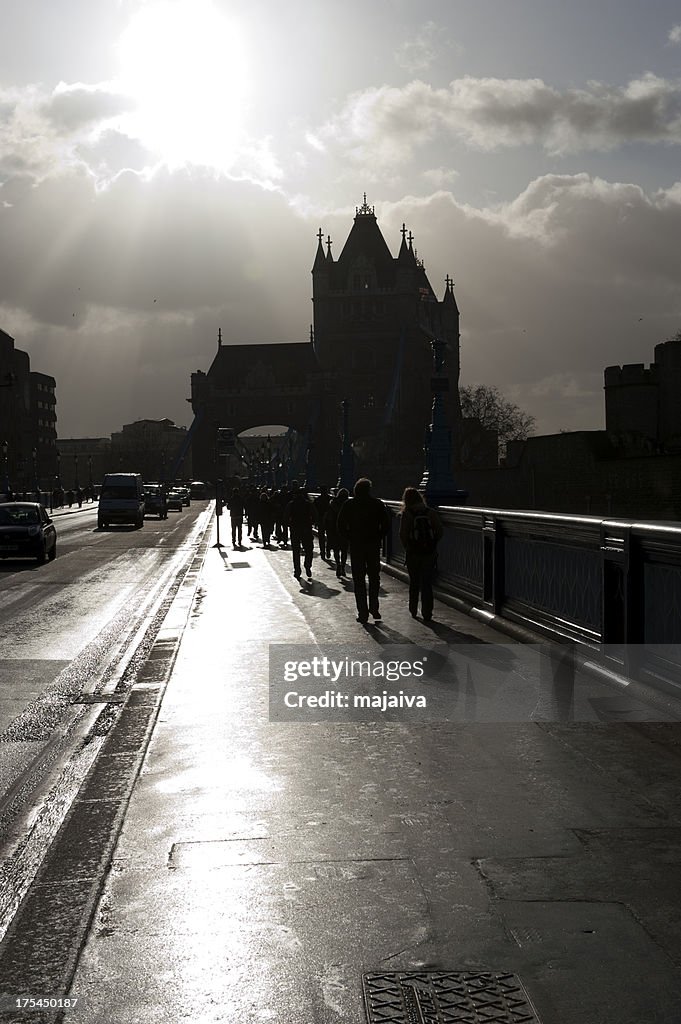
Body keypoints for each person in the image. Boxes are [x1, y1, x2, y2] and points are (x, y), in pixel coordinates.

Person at [337, 477, 390, 623]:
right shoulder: (377, 504)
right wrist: (378, 536)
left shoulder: (349, 504)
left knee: (359, 580)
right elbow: (386, 524)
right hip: (373, 545)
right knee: (374, 578)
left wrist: (349, 537)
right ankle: (374, 607)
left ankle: (363, 613)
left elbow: (340, 524)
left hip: (357, 546)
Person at [399, 487, 443, 622]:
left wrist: (408, 547)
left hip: (413, 553)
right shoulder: (430, 512)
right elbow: (439, 531)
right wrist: (432, 544)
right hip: (429, 553)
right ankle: (427, 612)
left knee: (414, 582)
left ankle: (413, 609)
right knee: (427, 583)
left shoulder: (407, 514)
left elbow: (402, 534)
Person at [285, 480, 315, 579]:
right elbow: (314, 515)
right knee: (309, 549)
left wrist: (290, 525)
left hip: (295, 529)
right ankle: (307, 565)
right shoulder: (308, 504)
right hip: (306, 529)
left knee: (296, 551)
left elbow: (286, 516)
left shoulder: (291, 504)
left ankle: (297, 570)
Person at [325, 487, 349, 577]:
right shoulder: (347, 504)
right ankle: (342, 566)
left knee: (336, 549)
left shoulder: (332, 503)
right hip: (344, 529)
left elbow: (328, 517)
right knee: (344, 550)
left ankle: (338, 564)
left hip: (334, 529)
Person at [313, 485, 331, 559]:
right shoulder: (330, 499)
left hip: (320, 520)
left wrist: (315, 521)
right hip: (329, 520)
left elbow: (315, 511)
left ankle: (322, 551)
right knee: (329, 536)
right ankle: (328, 549)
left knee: (321, 537)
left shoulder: (317, 500)